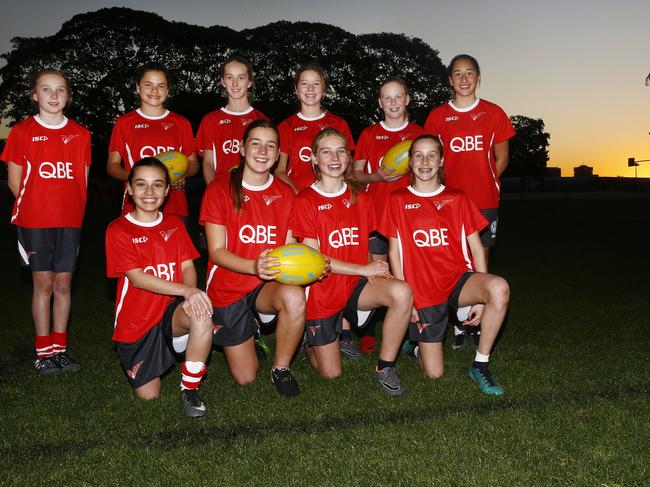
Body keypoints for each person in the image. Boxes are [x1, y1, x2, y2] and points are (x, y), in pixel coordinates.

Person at [382, 135, 510, 396]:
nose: (425, 161)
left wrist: (481, 299)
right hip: (423, 291)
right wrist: (408, 299)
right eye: (418, 155)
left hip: (457, 280)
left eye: (432, 155)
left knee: (498, 287)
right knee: (434, 374)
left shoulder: (458, 198)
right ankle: (416, 345)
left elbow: (476, 247)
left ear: (441, 161)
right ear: (410, 162)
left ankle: (480, 364)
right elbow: (394, 253)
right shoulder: (397, 199)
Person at [291, 128, 412, 395]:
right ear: (314, 159)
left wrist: (375, 273)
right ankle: (308, 342)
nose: (335, 157)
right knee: (331, 375)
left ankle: (385, 367)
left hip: (356, 285)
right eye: (326, 151)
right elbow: (314, 261)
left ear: (348, 156)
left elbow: (364, 246)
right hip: (322, 290)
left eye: (341, 151)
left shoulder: (363, 198)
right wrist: (363, 268)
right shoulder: (304, 200)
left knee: (402, 291)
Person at [200, 120, 306, 397]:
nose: (263, 151)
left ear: (278, 153)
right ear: (242, 149)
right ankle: (251, 330)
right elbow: (216, 252)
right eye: (255, 143)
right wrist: (253, 266)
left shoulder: (286, 194)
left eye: (271, 145)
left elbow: (289, 248)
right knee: (246, 377)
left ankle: (281, 368)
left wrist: (310, 266)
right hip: (229, 286)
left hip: (265, 283)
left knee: (295, 296)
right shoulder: (219, 190)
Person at [105, 158, 213, 417]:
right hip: (137, 324)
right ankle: (173, 346)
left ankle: (189, 388)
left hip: (169, 313)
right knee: (149, 397)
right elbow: (138, 278)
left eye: (157, 185)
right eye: (141, 185)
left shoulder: (174, 223)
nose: (149, 193)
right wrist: (186, 291)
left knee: (201, 314)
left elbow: (188, 267)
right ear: (129, 188)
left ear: (167, 190)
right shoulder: (118, 229)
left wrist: (188, 300)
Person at [1, 69, 91, 375]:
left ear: (68, 95)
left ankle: (60, 349)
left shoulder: (81, 134)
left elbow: (83, 181)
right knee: (43, 285)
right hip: (35, 221)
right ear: (34, 94)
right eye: (46, 89)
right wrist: (38, 208)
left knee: (63, 285)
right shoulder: (22, 132)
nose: (53, 96)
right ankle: (43, 351)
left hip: (70, 223)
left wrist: (73, 213)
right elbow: (15, 182)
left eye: (60, 90)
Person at [424, 54, 515, 349]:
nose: (464, 79)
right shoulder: (438, 116)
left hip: (485, 200)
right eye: (458, 74)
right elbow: (430, 160)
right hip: (446, 203)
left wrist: (489, 182)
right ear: (450, 80)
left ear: (478, 77)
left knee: (481, 260)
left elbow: (502, 158)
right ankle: (457, 321)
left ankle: (474, 323)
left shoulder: (494, 113)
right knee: (450, 259)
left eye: (470, 73)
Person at [352, 77, 425, 353]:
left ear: (407, 99)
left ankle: (412, 335)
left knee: (409, 275)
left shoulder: (420, 133)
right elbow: (355, 175)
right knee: (378, 275)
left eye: (398, 97)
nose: (393, 102)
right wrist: (377, 177)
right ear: (380, 102)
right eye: (387, 97)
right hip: (377, 216)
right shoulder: (370, 134)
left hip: (410, 218)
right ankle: (369, 331)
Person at [107, 62, 199, 222]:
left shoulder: (181, 123)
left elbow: (193, 163)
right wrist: (135, 177)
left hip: (175, 207)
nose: (154, 91)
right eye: (148, 85)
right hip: (136, 206)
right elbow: (112, 165)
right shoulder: (124, 123)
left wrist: (181, 175)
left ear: (167, 91)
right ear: (137, 87)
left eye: (161, 86)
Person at [276, 62, 355, 194]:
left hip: (333, 194)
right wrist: (299, 196)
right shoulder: (286, 126)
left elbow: (349, 166)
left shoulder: (339, 124)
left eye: (316, 84)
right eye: (304, 83)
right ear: (296, 90)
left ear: (324, 91)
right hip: (299, 195)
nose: (310, 89)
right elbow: (280, 171)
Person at [196, 55, 268, 185]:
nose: (235, 84)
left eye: (241, 78)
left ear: (249, 82)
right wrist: (214, 192)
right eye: (229, 77)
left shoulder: (261, 120)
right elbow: (208, 163)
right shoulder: (210, 120)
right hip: (220, 192)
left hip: (252, 192)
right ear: (223, 81)